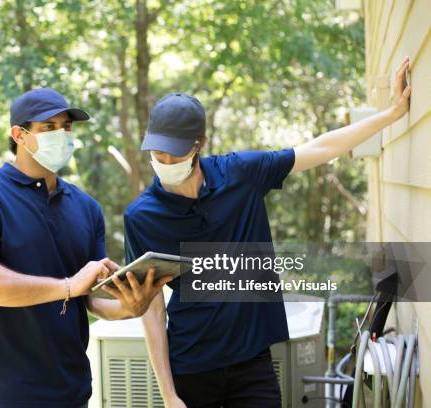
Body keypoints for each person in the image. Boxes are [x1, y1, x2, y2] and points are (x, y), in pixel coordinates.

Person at [125, 57, 412, 408]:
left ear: (198, 144)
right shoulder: (141, 217)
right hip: (190, 369)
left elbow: (319, 149)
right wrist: (168, 395)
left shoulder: (241, 175)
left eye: (174, 153)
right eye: (157, 152)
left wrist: (392, 114)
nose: (164, 161)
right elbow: (152, 310)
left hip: (252, 363)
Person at [0, 88, 172, 408]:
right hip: (4, 392)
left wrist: (130, 308)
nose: (62, 135)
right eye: (48, 128)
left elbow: (91, 299)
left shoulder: (86, 207)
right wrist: (66, 286)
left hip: (73, 391)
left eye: (66, 127)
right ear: (19, 135)